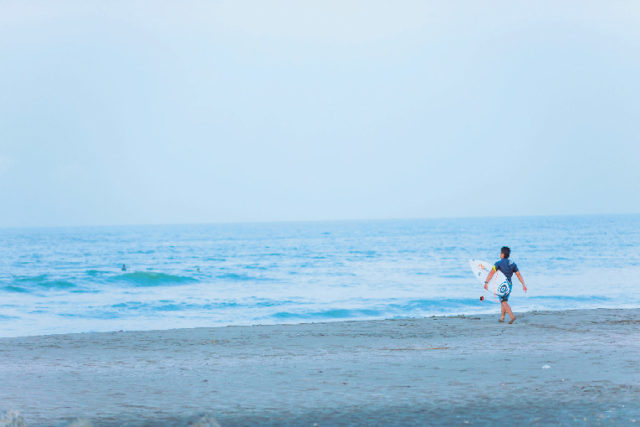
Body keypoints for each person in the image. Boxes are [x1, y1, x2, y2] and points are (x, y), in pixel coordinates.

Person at [484, 246, 527, 324]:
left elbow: (491, 273)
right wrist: (523, 284)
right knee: (504, 300)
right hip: (509, 285)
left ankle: (512, 316)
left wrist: (486, 282)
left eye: (500, 253)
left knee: (504, 302)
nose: (500, 254)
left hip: (501, 286)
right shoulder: (513, 264)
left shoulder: (498, 263)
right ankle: (502, 318)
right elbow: (518, 274)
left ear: (502, 254)